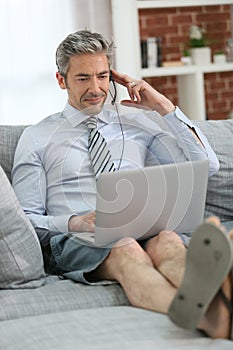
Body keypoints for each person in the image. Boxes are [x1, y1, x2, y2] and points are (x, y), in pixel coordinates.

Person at [12, 30, 232, 339]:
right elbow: (25, 220)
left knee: (169, 241)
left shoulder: (137, 124)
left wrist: (162, 107)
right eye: (83, 78)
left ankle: (219, 301)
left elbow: (207, 165)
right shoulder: (37, 138)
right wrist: (75, 222)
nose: (96, 88)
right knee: (127, 248)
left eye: (103, 76)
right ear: (61, 80)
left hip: (145, 227)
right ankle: (211, 319)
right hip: (80, 239)